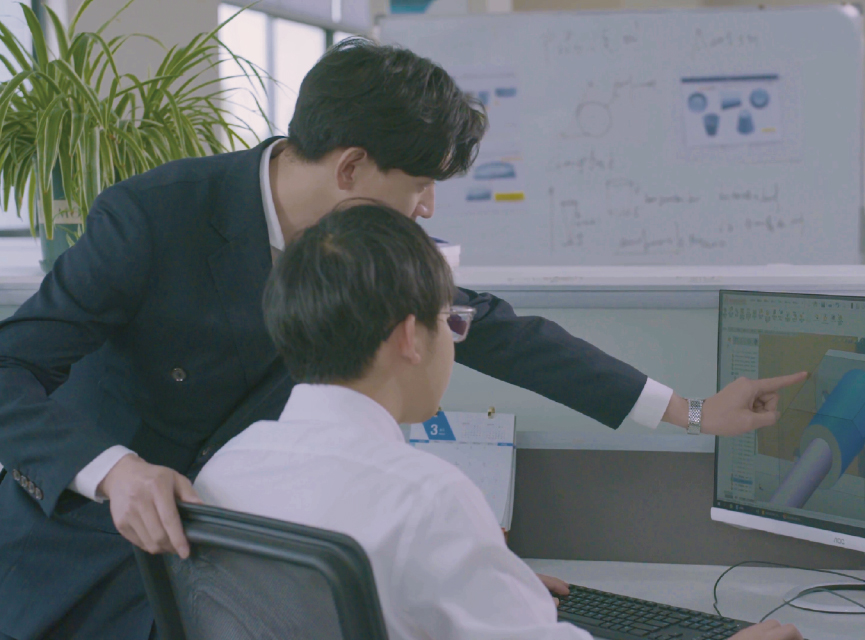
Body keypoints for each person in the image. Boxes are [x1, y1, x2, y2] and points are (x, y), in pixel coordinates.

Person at [0, 38, 805, 639]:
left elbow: (494, 330)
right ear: (351, 168)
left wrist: (691, 413)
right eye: (418, 185)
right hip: (89, 557)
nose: (427, 209)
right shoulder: (156, 218)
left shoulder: (368, 259)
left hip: (233, 577)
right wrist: (114, 471)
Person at [194, 202, 802, 640]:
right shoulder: (427, 499)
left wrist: (487, 582)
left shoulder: (227, 468)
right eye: (451, 322)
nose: (455, 341)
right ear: (409, 338)